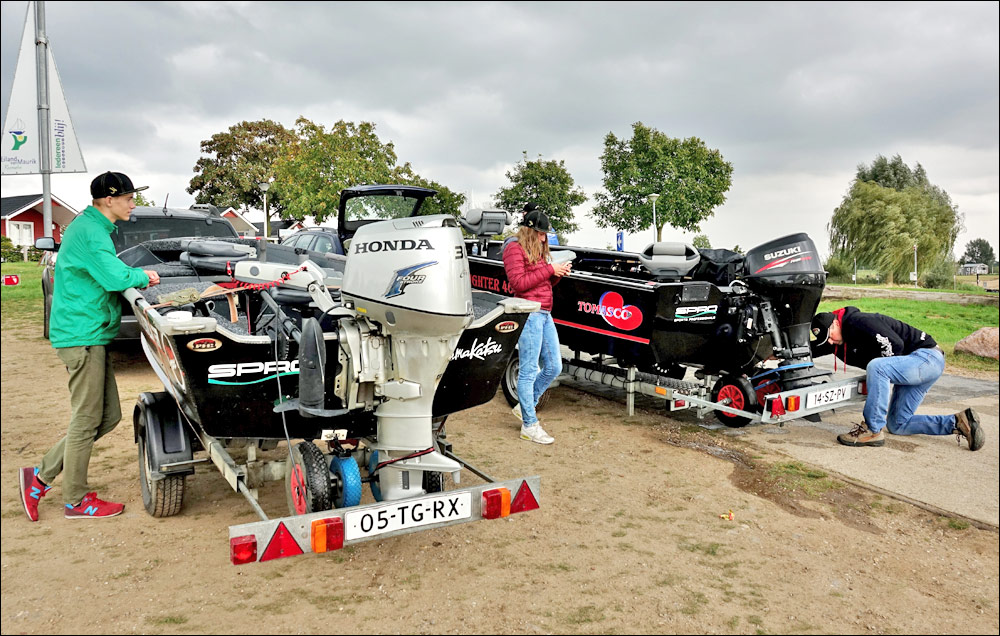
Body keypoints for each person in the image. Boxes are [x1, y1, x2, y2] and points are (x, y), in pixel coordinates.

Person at [19, 172, 161, 521]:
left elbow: (109, 268)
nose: (133, 203)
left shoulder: (92, 228)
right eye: (128, 198)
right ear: (108, 200)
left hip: (89, 333)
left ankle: (39, 476)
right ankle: (75, 500)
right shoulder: (92, 232)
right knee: (85, 419)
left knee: (109, 416)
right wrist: (146, 277)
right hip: (81, 335)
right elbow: (115, 276)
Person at [811, 307, 984, 450]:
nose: (831, 341)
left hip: (926, 357)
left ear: (836, 322)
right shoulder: (838, 341)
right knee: (898, 424)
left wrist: (884, 374)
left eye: (830, 334)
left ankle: (872, 429)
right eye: (826, 339)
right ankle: (959, 422)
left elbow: (896, 344)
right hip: (915, 365)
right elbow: (810, 350)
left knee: (877, 367)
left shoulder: (858, 321)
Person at [502, 204, 571, 445]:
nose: (544, 238)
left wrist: (555, 275)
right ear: (530, 231)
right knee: (529, 369)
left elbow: (541, 285)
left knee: (554, 367)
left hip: (544, 312)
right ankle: (529, 425)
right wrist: (550, 269)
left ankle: (525, 406)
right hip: (529, 313)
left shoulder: (537, 249)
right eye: (541, 234)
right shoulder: (513, 249)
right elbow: (519, 284)